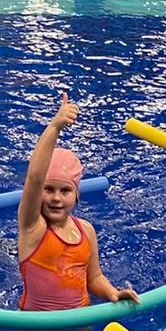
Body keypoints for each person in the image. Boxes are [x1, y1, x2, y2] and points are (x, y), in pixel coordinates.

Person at [17, 95, 137, 312]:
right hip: (36, 324)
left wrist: (113, 293)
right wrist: (54, 127)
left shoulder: (86, 231)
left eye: (65, 191)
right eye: (48, 189)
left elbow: (94, 278)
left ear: (77, 195)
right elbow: (34, 177)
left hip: (80, 320)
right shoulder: (33, 227)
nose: (56, 198)